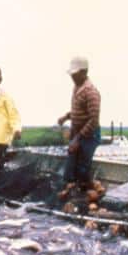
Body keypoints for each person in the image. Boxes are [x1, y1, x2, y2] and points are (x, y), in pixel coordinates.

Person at [56, 56, 101, 189]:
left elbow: (94, 120)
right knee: (70, 171)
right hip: (77, 133)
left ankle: (82, 197)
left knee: (82, 170)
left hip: (89, 135)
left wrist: (78, 139)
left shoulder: (90, 91)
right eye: (72, 74)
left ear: (84, 72)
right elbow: (79, 111)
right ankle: (71, 194)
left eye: (75, 74)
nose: (72, 77)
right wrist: (66, 116)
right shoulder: (77, 87)